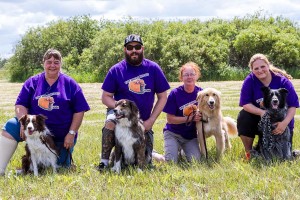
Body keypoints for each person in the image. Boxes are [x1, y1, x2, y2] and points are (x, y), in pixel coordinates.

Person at [0, 49, 90, 175]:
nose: (52, 65)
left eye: (56, 62)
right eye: (49, 62)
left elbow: (80, 110)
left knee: (60, 168)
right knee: (11, 125)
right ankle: (1, 169)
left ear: (61, 64)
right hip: (35, 131)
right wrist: (22, 123)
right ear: (43, 63)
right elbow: (20, 105)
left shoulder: (70, 84)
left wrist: (71, 133)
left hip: (62, 136)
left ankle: (41, 164)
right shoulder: (32, 82)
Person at [97, 34, 170, 170]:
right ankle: (104, 162)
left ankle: (153, 154)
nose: (134, 50)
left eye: (137, 47)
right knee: (110, 122)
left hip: (142, 122)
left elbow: (163, 97)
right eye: (130, 47)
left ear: (142, 48)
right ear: (125, 50)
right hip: (121, 118)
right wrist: (119, 108)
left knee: (144, 161)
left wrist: (151, 121)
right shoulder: (116, 70)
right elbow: (105, 96)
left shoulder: (153, 68)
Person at [237, 53, 299, 160]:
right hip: (260, 120)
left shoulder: (283, 81)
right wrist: (262, 113)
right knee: (243, 116)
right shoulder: (250, 81)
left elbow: (293, 105)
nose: (260, 70)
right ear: (252, 70)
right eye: (256, 68)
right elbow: (245, 104)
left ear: (268, 65)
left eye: (262, 67)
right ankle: (249, 153)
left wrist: (284, 124)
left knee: (283, 157)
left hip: (282, 121)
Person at [162, 62, 202, 163]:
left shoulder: (202, 93)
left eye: (192, 74)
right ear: (181, 77)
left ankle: (182, 151)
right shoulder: (175, 93)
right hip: (173, 133)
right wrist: (191, 118)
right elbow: (170, 119)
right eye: (186, 75)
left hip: (190, 136)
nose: (189, 77)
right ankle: (157, 156)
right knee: (171, 162)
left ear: (196, 76)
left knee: (195, 161)